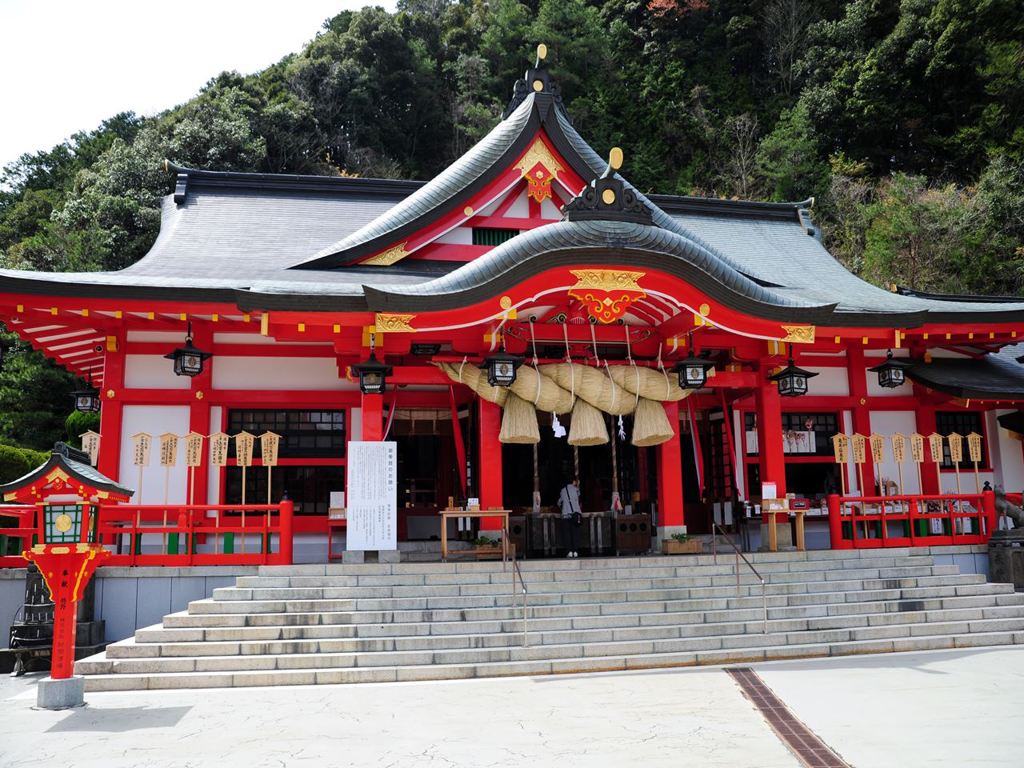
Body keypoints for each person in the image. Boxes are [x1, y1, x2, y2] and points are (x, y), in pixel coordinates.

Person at [558, 476, 582, 558]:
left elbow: (559, 502)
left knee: (567, 534)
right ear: (573, 481)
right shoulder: (576, 489)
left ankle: (569, 551)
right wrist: (577, 485)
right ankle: (575, 551)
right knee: (575, 533)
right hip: (575, 515)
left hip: (565, 515)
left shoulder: (562, 490)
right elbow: (578, 496)